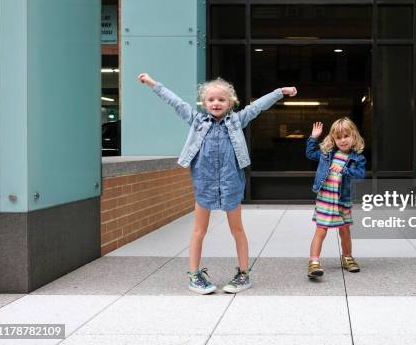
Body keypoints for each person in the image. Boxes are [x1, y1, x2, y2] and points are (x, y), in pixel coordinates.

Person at [138, 73, 297, 293]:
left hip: (231, 183)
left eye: (221, 100)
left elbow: (258, 106)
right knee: (198, 231)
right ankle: (194, 275)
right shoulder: (197, 120)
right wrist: (153, 84)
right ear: (204, 103)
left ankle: (243, 274)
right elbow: (175, 101)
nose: (216, 103)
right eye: (211, 100)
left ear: (230, 103)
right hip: (204, 183)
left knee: (237, 230)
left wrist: (280, 92)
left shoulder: (237, 121)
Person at [305, 118, 366, 278]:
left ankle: (347, 258)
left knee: (344, 230)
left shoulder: (357, 158)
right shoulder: (327, 154)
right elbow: (310, 154)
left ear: (354, 136)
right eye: (338, 137)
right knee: (321, 230)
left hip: (342, 200)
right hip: (325, 198)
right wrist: (313, 137)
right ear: (333, 139)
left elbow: (360, 175)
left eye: (346, 136)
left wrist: (344, 169)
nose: (343, 140)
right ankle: (314, 262)